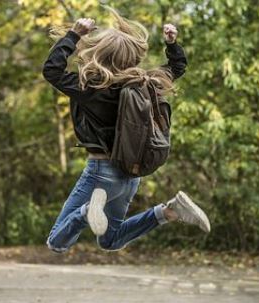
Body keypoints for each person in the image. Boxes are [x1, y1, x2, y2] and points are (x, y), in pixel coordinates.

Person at [43, 7, 210, 253]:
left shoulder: (90, 88)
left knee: (56, 241)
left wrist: (74, 34)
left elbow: (52, 71)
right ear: (131, 57)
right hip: (130, 175)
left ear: (100, 53)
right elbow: (177, 68)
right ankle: (169, 211)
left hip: (101, 173)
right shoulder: (146, 84)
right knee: (110, 240)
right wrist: (172, 44)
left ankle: (87, 211)